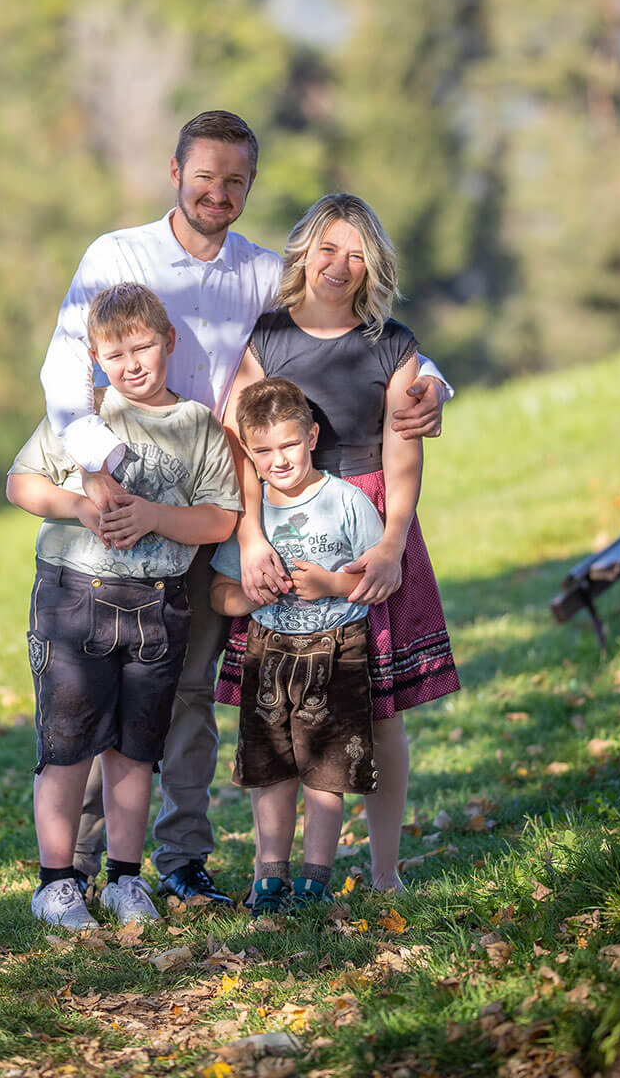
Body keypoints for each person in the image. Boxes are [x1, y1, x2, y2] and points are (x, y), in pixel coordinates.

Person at [38, 111, 451, 906]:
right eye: (205, 178)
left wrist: (435, 383)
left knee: (191, 693)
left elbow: (360, 330)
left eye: (236, 181)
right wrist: (103, 471)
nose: (219, 193)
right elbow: (65, 375)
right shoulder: (116, 256)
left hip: (226, 507)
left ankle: (181, 864)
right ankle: (78, 869)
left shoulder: (262, 273)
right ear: (174, 172)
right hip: (132, 505)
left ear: (250, 186)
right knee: (107, 690)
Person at [221, 193, 461, 894]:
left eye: (357, 254)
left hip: (368, 527)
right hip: (285, 527)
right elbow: (244, 444)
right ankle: (277, 870)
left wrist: (391, 545)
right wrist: (250, 534)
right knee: (282, 704)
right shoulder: (265, 339)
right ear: (305, 251)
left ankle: (383, 872)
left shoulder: (392, 344)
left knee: (378, 712)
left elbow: (404, 451)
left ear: (373, 265)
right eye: (328, 248)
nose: (340, 265)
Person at [7, 284, 240, 927]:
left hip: (158, 609)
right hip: (74, 597)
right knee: (67, 742)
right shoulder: (80, 420)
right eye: (116, 355)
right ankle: (57, 883)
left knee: (138, 750)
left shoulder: (197, 426)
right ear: (95, 361)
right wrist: (80, 505)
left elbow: (221, 518)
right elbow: (20, 483)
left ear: (170, 342)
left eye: (144, 347)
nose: (133, 364)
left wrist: (155, 516)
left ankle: (124, 880)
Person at [211, 378, 392, 913]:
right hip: (269, 653)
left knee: (325, 774)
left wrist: (330, 585)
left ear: (312, 436)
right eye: (263, 451)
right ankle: (269, 875)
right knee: (270, 771)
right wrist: (246, 597)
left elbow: (385, 579)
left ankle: (315, 879)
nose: (279, 460)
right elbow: (219, 591)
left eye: (289, 444)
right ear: (249, 452)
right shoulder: (249, 516)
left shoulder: (348, 501)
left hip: (338, 652)